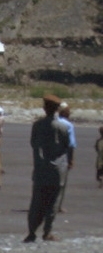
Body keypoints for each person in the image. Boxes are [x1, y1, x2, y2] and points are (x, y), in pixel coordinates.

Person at [25, 95, 70, 242]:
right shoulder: (63, 126)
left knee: (37, 201)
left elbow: (33, 144)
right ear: (58, 109)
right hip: (58, 169)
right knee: (53, 201)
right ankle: (47, 232)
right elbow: (66, 146)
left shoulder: (37, 125)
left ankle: (32, 231)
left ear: (45, 108)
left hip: (40, 168)